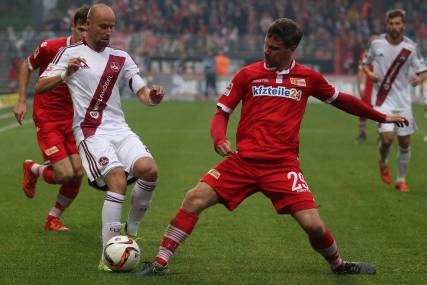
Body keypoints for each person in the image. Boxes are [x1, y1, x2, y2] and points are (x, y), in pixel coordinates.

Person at [137, 18, 408, 277]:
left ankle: (339, 265)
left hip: (282, 166)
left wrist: (381, 116)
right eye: (266, 44)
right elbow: (222, 112)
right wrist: (219, 138)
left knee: (313, 224)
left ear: (291, 49)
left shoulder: (308, 78)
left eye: (274, 48)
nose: (267, 51)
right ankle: (160, 262)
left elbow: (342, 100)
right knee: (194, 198)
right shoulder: (248, 75)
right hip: (243, 162)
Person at [35, 3, 165, 271]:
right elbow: (41, 87)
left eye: (112, 27)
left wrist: (152, 97)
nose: (108, 32)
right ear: (88, 26)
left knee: (149, 170)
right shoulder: (69, 53)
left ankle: (132, 229)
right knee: (116, 179)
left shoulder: (121, 57)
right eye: (103, 26)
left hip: (119, 128)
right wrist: (65, 72)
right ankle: (109, 255)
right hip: (90, 131)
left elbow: (142, 92)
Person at [13, 6, 89, 232]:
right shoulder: (51, 47)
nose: (84, 36)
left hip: (73, 120)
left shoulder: (92, 53)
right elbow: (26, 66)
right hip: (48, 118)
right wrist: (21, 100)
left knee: (77, 174)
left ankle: (52, 218)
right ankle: (34, 169)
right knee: (64, 174)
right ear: (73, 27)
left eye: (88, 30)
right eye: (81, 29)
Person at [362, 9, 427, 192]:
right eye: (391, 23)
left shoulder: (411, 47)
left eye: (398, 23)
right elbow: (365, 64)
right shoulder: (376, 44)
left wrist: (419, 79)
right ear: (386, 24)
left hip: (403, 102)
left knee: (405, 143)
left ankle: (401, 179)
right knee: (388, 139)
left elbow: (424, 70)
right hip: (382, 100)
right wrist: (369, 73)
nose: (395, 27)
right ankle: (382, 161)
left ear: (403, 25)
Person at [355, 33, 379, 143]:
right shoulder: (365, 54)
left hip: (381, 87)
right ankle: (362, 134)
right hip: (369, 87)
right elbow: (361, 71)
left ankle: (382, 136)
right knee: (362, 111)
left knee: (381, 112)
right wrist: (360, 87)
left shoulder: (387, 54)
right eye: (373, 39)